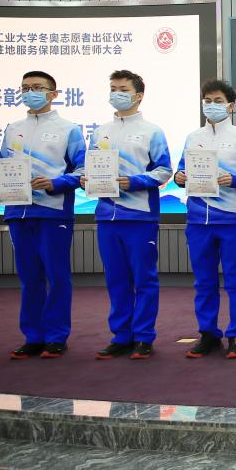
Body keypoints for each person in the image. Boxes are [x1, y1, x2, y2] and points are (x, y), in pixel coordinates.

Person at [0, 70, 85, 359]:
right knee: (29, 277)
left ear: (53, 94)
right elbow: (5, 166)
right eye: (25, 87)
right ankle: (33, 336)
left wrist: (56, 183)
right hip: (18, 212)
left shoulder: (69, 130)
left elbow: (83, 171)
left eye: (38, 87)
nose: (31, 92)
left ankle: (56, 336)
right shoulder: (12, 128)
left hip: (53, 212)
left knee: (57, 276)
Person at [84, 70, 172, 360]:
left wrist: (133, 182)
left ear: (138, 95)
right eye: (113, 89)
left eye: (123, 89)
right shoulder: (100, 132)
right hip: (107, 216)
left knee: (144, 279)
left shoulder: (152, 131)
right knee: (116, 280)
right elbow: (91, 167)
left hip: (139, 216)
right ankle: (121, 336)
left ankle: (144, 337)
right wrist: (87, 180)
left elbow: (164, 171)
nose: (116, 94)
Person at [174, 80, 236, 359]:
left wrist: (234, 179)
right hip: (197, 220)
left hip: (231, 220)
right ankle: (208, 334)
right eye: (207, 100)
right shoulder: (193, 137)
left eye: (217, 101)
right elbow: (180, 171)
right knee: (204, 282)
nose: (211, 105)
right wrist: (179, 177)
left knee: (235, 280)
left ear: (231, 106)